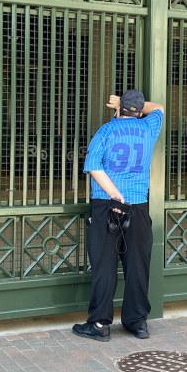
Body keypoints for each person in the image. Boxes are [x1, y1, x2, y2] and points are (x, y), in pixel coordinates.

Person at [72, 89, 164, 342]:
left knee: (105, 266)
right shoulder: (149, 128)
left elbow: (92, 166)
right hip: (138, 206)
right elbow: (159, 108)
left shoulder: (106, 131)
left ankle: (100, 324)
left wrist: (114, 194)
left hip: (107, 205)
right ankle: (137, 322)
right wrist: (135, 106)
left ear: (117, 110)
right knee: (137, 266)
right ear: (138, 111)